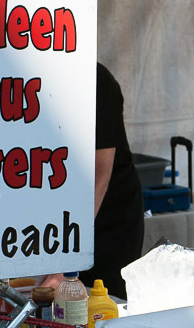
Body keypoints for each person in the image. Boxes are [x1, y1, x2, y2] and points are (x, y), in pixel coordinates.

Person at [42, 62, 144, 299]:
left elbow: (98, 180)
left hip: (106, 215)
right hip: (55, 212)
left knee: (99, 304)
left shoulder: (96, 80)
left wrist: (64, 264)